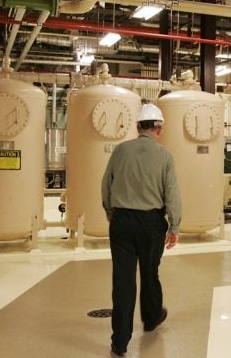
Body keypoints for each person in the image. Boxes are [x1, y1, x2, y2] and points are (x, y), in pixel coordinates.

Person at [101, 103, 182, 357]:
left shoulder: (120, 151)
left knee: (122, 281)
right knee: (150, 272)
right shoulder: (165, 156)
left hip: (122, 222)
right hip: (151, 223)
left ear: (138, 127)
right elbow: (172, 194)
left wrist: (112, 213)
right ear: (159, 128)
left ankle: (120, 342)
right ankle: (151, 317)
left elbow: (106, 186)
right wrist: (175, 225)